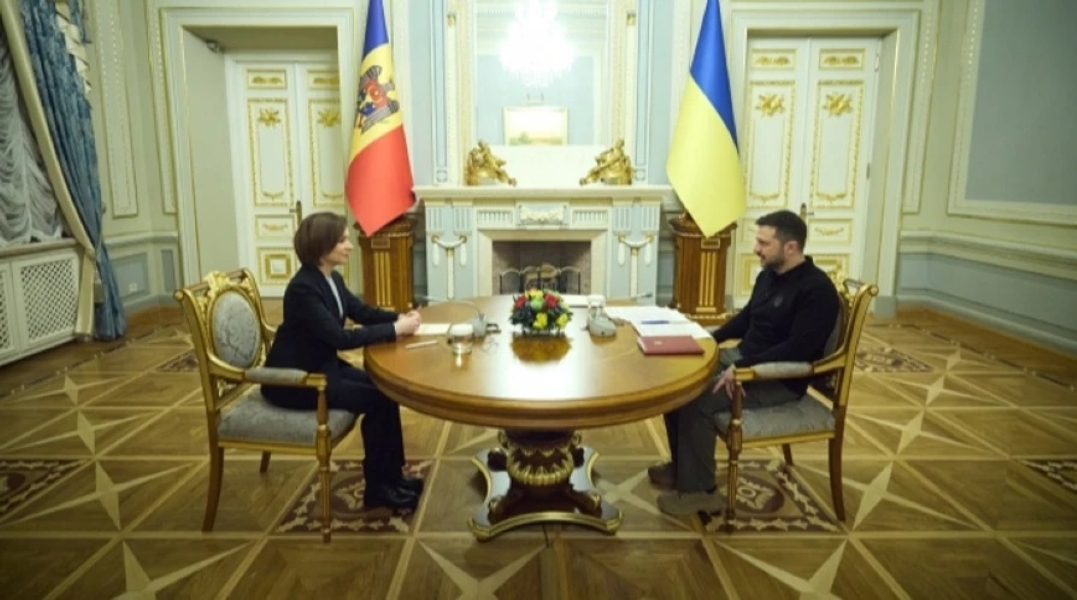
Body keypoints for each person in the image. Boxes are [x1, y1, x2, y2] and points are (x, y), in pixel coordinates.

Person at [652, 209, 840, 516]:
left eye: (764, 243)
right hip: (744, 360)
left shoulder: (817, 291)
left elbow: (797, 349)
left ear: (790, 247)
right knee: (677, 383)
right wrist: (709, 339)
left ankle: (701, 492)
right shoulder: (769, 275)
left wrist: (743, 368)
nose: (756, 249)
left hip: (776, 378)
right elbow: (747, 319)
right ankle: (684, 468)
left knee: (696, 400)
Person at [261, 211, 424, 510]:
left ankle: (392, 477)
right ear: (322, 247)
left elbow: (361, 312)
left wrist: (399, 318)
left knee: (387, 389)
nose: (350, 246)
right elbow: (339, 338)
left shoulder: (331, 278)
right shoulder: (302, 288)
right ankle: (378, 489)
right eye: (342, 241)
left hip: (322, 366)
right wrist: (395, 330)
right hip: (296, 380)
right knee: (377, 400)